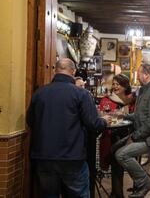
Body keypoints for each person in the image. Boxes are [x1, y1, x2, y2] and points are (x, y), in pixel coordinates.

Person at [26, 58, 111, 197]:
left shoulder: (39, 93)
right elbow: (93, 124)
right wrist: (104, 121)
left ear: (55, 70)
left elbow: (30, 121)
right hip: (72, 156)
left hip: (43, 156)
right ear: (73, 71)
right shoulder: (81, 94)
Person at [115, 64, 150, 198]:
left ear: (146, 74)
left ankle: (145, 182)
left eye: (139, 73)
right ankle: (131, 185)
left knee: (121, 154)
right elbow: (139, 114)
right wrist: (123, 116)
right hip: (146, 134)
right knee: (114, 149)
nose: (137, 76)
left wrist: (135, 136)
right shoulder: (144, 90)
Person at [98, 74, 135, 198]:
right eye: (113, 84)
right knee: (116, 164)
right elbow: (103, 115)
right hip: (112, 135)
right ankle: (117, 193)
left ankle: (117, 193)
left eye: (118, 84)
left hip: (128, 135)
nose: (115, 86)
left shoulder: (131, 99)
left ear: (125, 86)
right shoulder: (106, 99)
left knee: (121, 165)